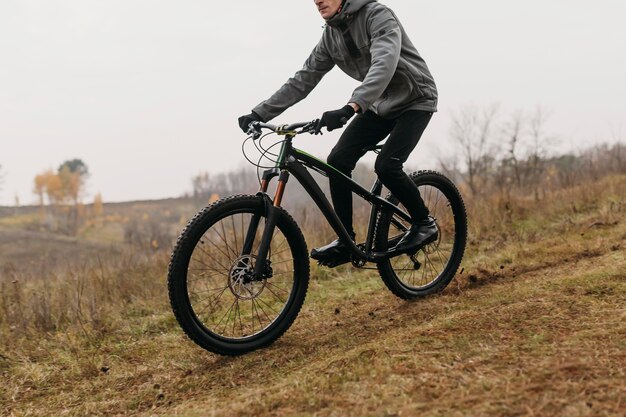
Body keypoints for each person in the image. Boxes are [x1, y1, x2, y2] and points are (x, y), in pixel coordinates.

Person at [238, 0, 438, 266]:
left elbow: (384, 63)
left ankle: (424, 223)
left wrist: (351, 106)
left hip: (415, 99)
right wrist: (260, 113)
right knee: (338, 161)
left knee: (387, 165)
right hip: (378, 105)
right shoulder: (330, 36)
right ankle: (346, 241)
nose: (318, 1)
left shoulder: (377, 15)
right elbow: (303, 79)